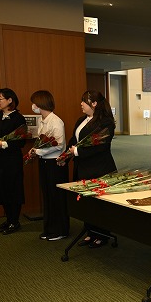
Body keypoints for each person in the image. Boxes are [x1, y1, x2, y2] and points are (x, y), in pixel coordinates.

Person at [61, 90, 117, 248]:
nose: (81, 104)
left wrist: (77, 152)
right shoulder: (81, 120)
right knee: (86, 202)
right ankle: (90, 232)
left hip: (99, 167)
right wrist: (66, 156)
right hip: (82, 167)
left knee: (99, 203)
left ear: (94, 103)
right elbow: (74, 140)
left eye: (84, 101)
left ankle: (102, 234)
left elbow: (101, 146)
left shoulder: (105, 122)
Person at [28, 90, 69, 241]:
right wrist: (35, 150)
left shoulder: (56, 121)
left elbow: (59, 145)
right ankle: (49, 228)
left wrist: (38, 151)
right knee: (47, 196)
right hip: (44, 162)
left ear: (41, 103)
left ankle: (61, 230)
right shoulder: (42, 120)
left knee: (56, 197)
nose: (33, 106)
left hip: (55, 164)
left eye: (34, 103)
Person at [0, 88, 27, 235]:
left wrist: (3, 144)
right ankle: (8, 219)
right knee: (0, 187)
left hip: (11, 159)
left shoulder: (19, 118)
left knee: (12, 189)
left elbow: (21, 142)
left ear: (10, 100)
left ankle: (14, 221)